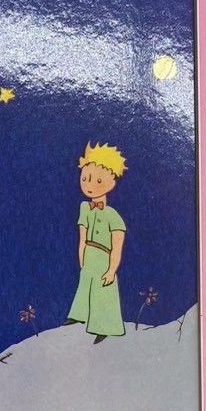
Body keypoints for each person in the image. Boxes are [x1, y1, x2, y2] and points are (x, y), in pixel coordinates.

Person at [66, 143, 128, 342]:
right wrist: (82, 257)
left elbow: (117, 246)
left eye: (98, 180)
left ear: (112, 181)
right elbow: (82, 236)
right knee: (85, 286)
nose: (89, 185)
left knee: (103, 291)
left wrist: (111, 270)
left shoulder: (113, 216)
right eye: (85, 178)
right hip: (89, 255)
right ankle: (79, 315)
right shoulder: (84, 208)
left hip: (104, 257)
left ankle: (105, 327)